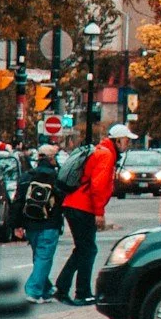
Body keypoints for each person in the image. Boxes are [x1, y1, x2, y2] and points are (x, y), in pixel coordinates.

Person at [53, 122, 127, 306]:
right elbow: (98, 185)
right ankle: (81, 291)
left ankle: (63, 287)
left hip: (74, 203)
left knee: (83, 249)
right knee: (88, 249)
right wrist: (99, 212)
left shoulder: (100, 151)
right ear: (118, 140)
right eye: (126, 140)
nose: (128, 144)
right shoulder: (107, 155)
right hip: (82, 206)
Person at [13, 146, 66, 301]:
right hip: (50, 223)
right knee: (44, 258)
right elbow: (63, 199)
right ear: (50, 158)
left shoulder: (27, 177)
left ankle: (46, 289)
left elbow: (18, 202)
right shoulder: (56, 177)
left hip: (30, 224)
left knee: (39, 257)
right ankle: (34, 291)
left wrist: (16, 225)